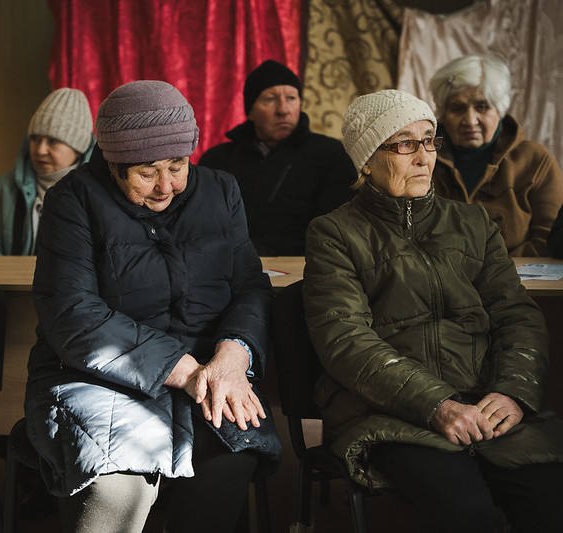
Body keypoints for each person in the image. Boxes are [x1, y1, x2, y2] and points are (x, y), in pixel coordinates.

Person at [25, 80, 281, 532]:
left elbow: (250, 288)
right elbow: (73, 316)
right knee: (117, 483)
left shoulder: (220, 190)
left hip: (211, 367)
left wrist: (232, 355)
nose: (167, 186)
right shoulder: (73, 199)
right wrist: (186, 371)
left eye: (178, 166)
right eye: (147, 172)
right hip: (98, 377)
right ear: (112, 163)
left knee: (230, 458)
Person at [302, 88, 563, 532]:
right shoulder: (334, 234)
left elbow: (517, 316)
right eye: (404, 143)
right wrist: (437, 404)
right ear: (366, 160)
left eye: (429, 139)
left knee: (552, 504)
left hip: (485, 399)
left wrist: (513, 392)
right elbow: (345, 341)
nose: (424, 157)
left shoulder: (474, 223)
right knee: (466, 514)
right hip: (389, 412)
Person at [199, 59, 357, 256]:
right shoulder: (217, 160)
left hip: (303, 270)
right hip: (227, 267)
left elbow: (337, 232)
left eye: (291, 98)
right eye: (270, 99)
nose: (283, 110)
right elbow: (199, 226)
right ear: (251, 111)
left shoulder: (330, 155)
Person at [429, 54, 563, 257]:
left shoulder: (536, 161)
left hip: (517, 283)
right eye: (457, 108)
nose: (470, 120)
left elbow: (549, 243)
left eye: (482, 107)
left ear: (499, 110)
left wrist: (494, 272)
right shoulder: (421, 159)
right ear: (442, 113)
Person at [0, 87, 95, 255]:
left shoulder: (99, 193)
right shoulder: (6, 186)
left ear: (78, 149)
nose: (40, 150)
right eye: (35, 139)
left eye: (53, 141)